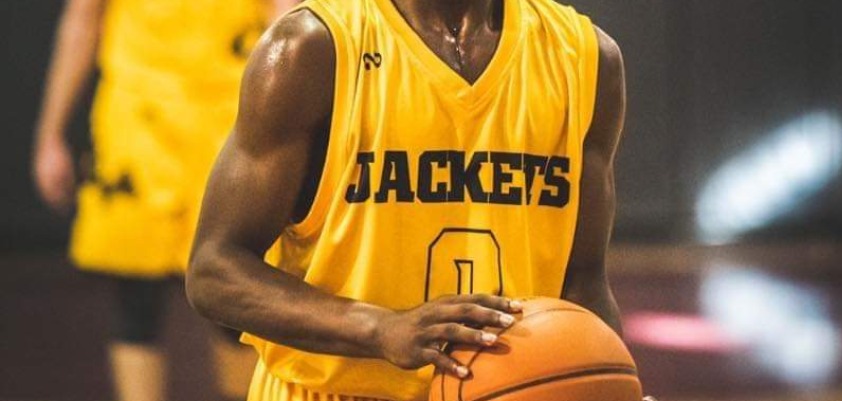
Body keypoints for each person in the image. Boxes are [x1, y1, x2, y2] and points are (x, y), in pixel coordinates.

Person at [187, 0, 627, 400]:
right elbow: (214, 269)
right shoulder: (312, 48)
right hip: (332, 392)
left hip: (500, 390)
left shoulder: (584, 59)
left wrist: (611, 388)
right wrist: (380, 328)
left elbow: (583, 281)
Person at [31, 0, 300, 400]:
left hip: (227, 116)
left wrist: (286, 121)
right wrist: (50, 135)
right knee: (136, 292)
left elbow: (284, 18)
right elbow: (83, 18)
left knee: (236, 291)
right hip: (140, 121)